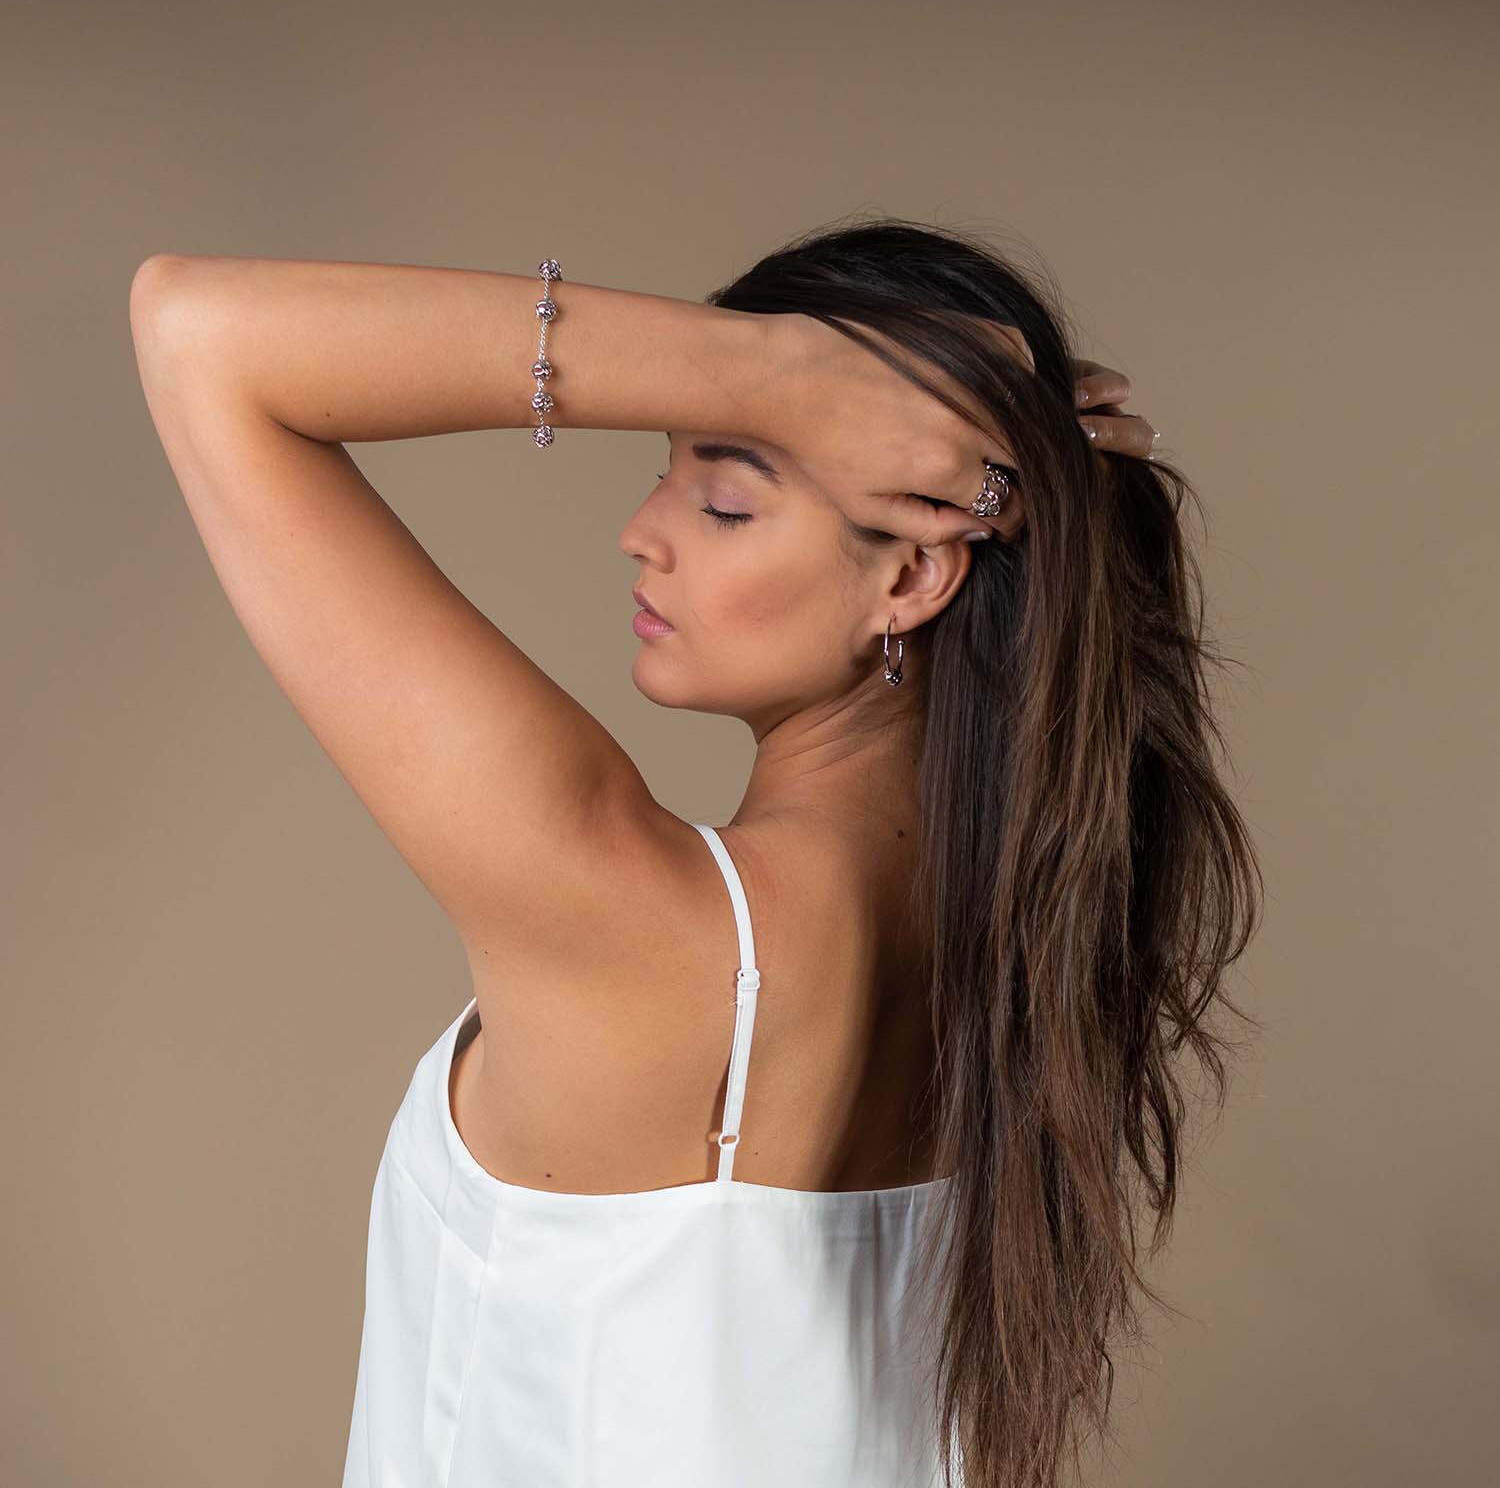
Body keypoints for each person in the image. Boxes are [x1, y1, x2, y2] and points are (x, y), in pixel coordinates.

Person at [129, 216, 1261, 1488]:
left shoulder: (642, 926)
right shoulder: (1038, 951)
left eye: (725, 500)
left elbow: (202, 332)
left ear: (912, 579)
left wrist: (779, 370)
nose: (642, 529)